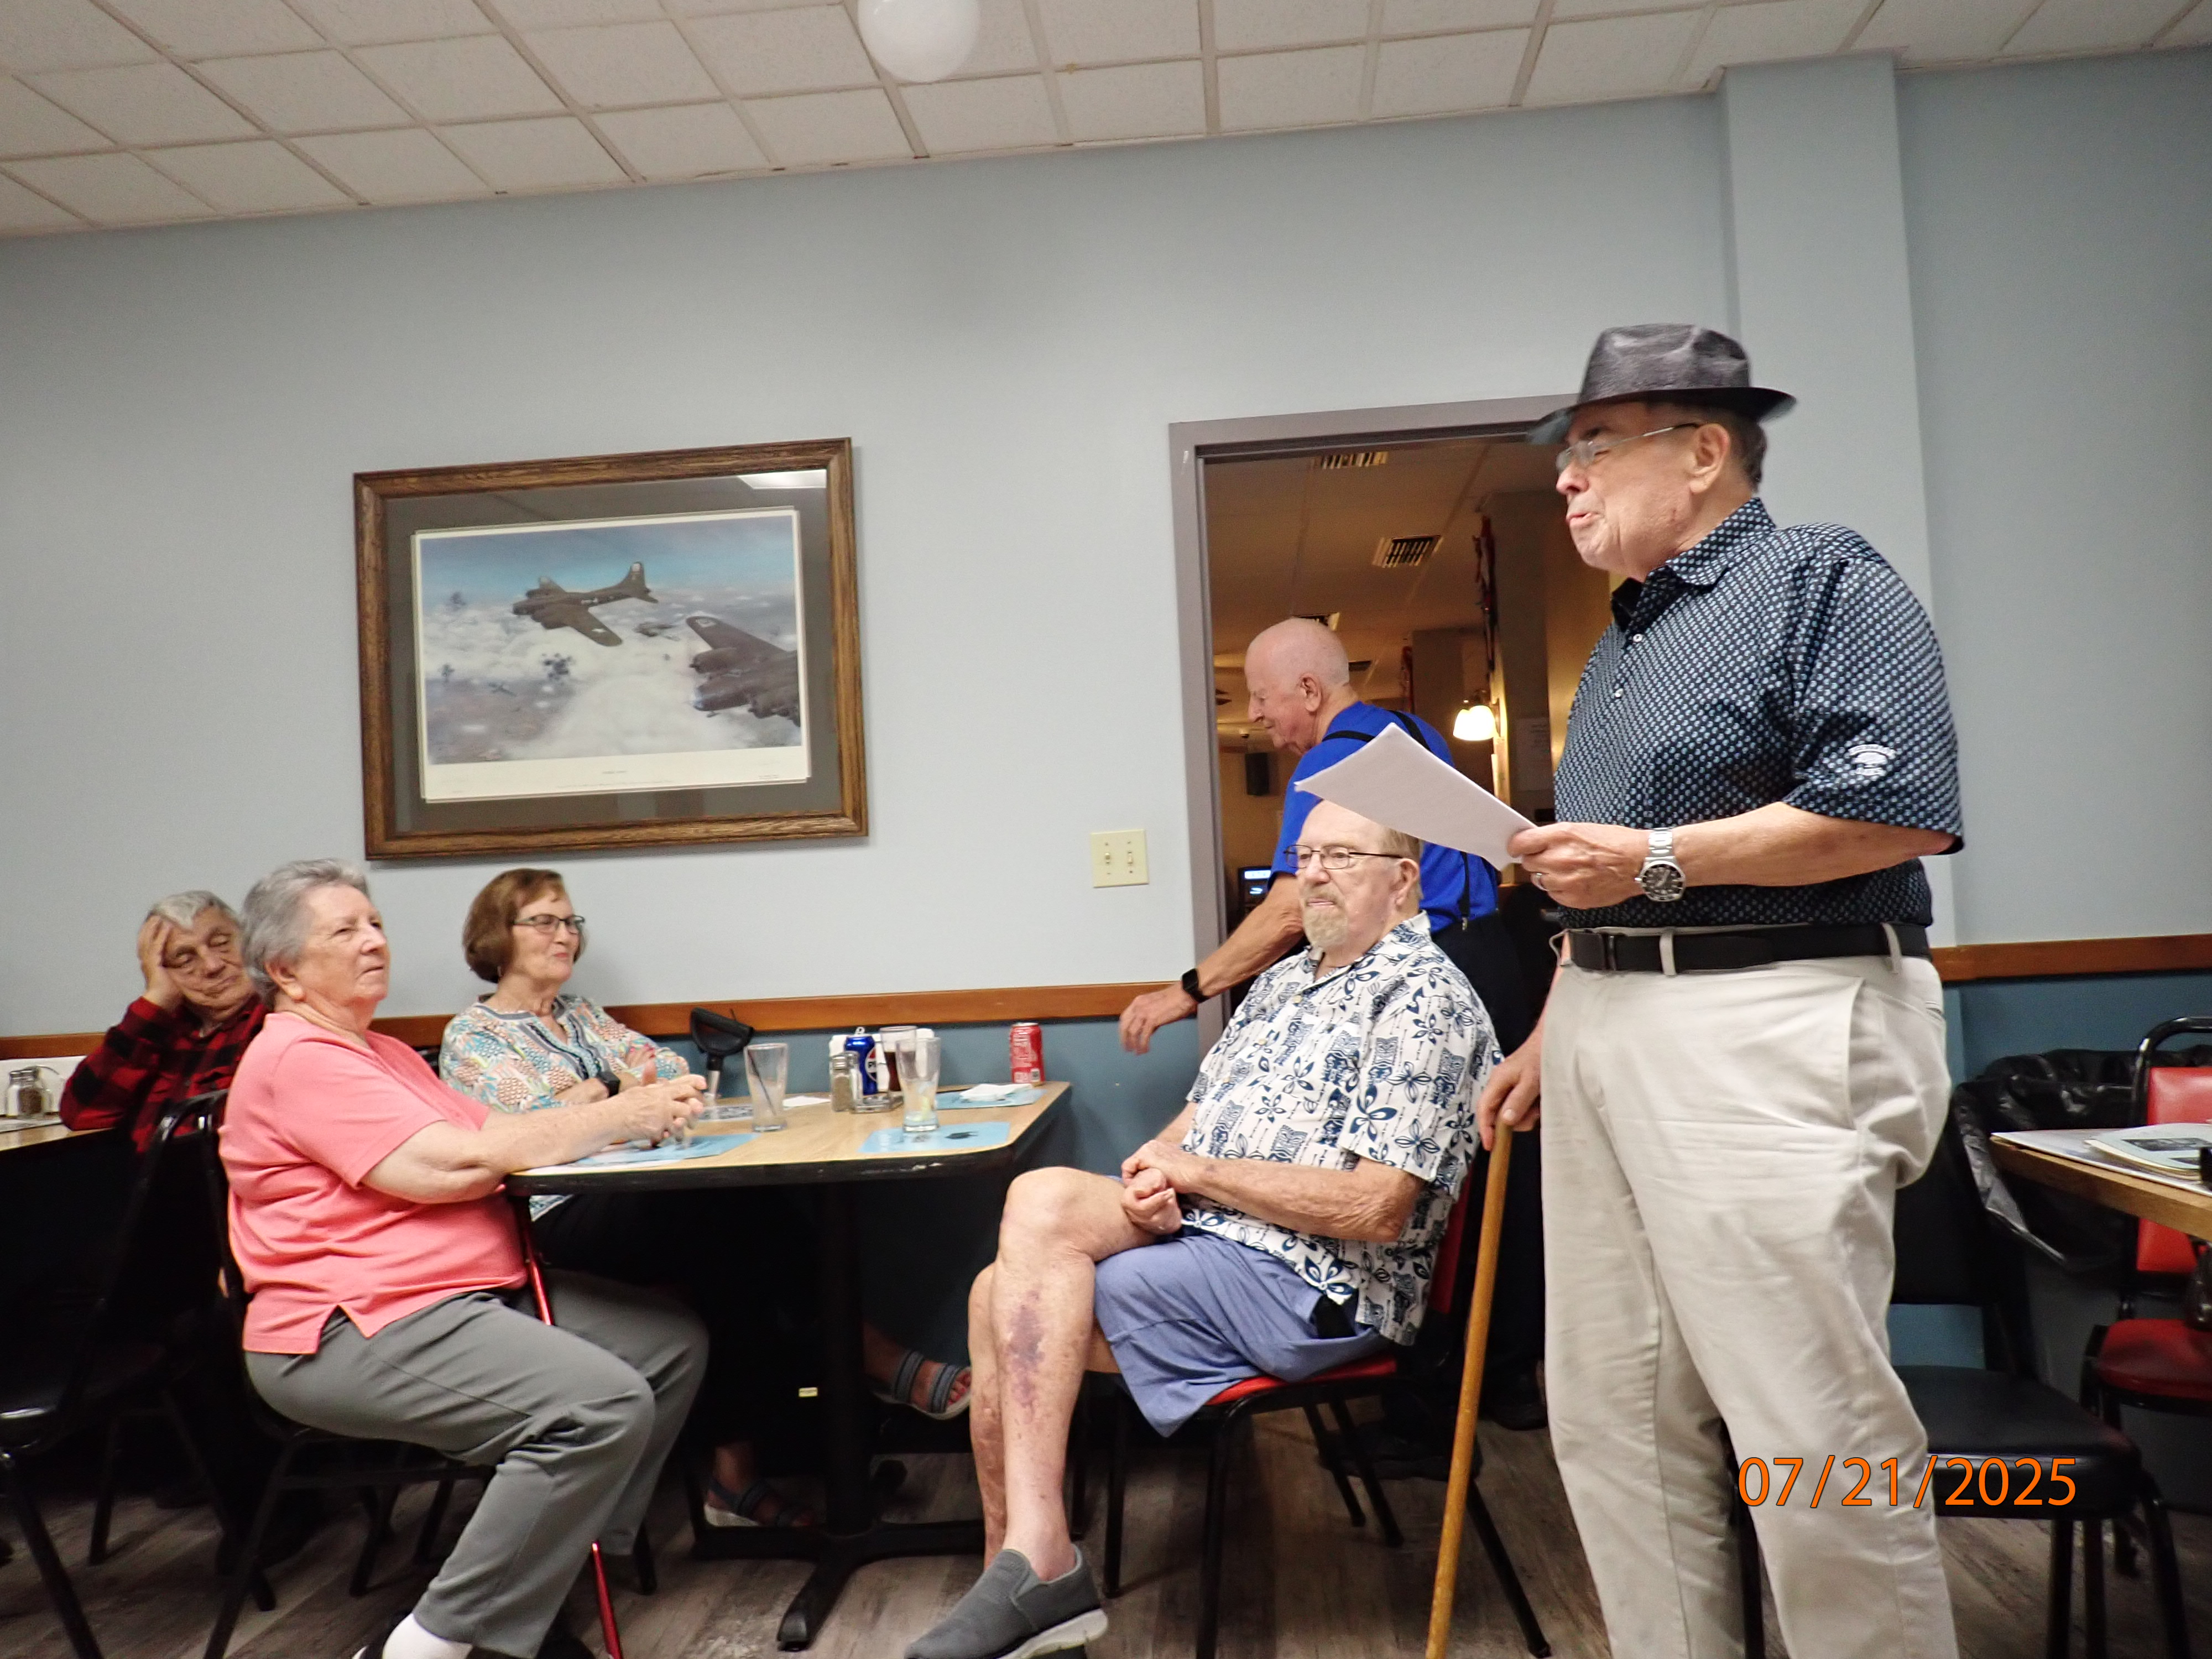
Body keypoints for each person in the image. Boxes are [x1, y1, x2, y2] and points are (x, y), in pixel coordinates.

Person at [1479, 324, 1963, 1659]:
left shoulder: (1820, 576)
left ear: (1701, 451)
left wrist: (1649, 858)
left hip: (1771, 1017)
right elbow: (1606, 886)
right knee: (1610, 1422)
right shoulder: (1628, 643)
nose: (1563, 480)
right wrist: (1554, 1020)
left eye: (1589, 449)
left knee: (1810, 1432)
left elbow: (1894, 807)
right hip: (1608, 1026)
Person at [908, 802, 1492, 1659]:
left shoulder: (1424, 1000)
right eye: (1305, 855)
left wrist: (1200, 1176)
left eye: (1342, 855)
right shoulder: (1291, 978)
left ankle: (1036, 1571)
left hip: (1320, 1284)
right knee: (1019, 1241)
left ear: (1403, 881)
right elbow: (1199, 1120)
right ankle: (1024, 1565)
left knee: (1014, 1264)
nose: (1314, 873)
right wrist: (1155, 1170)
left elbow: (1377, 1209)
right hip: (1218, 1237)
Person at [220, 860, 709, 1659]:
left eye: (373, 922)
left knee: (667, 1346)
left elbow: (499, 1139)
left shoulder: (381, 1052)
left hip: (466, 1295)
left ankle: (546, 1568)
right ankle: (429, 1646)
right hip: (354, 1324)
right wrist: (621, 1112)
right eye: (345, 931)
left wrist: (609, 1113)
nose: (375, 939)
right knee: (598, 1406)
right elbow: (450, 1165)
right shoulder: (300, 1059)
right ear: (285, 970)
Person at [440, 867, 971, 1530]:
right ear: (498, 935)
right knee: (728, 1220)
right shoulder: (476, 1036)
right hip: (553, 1217)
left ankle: (741, 1479)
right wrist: (613, 1089)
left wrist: (603, 1094)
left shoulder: (581, 1015)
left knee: (734, 1237)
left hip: (634, 1194)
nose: (565, 936)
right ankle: (875, 1366)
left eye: (571, 922)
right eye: (544, 921)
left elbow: (670, 1073)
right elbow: (529, 1131)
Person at [1120, 615, 1546, 1427]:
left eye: (1263, 698)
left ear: (1310, 692)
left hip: (1424, 968)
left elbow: (1294, 904)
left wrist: (1190, 989)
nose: (1258, 720)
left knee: (1412, 1200)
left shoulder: (1337, 759)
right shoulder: (1411, 731)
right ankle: (1499, 1385)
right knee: (1490, 1191)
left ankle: (1423, 1414)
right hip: (1493, 959)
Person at [62, 891, 264, 1150]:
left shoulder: (279, 1019)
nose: (212, 966)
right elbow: (81, 1114)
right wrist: (156, 1000)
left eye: (222, 943)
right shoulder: (159, 1033)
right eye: (185, 959)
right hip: (147, 1184)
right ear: (162, 973)